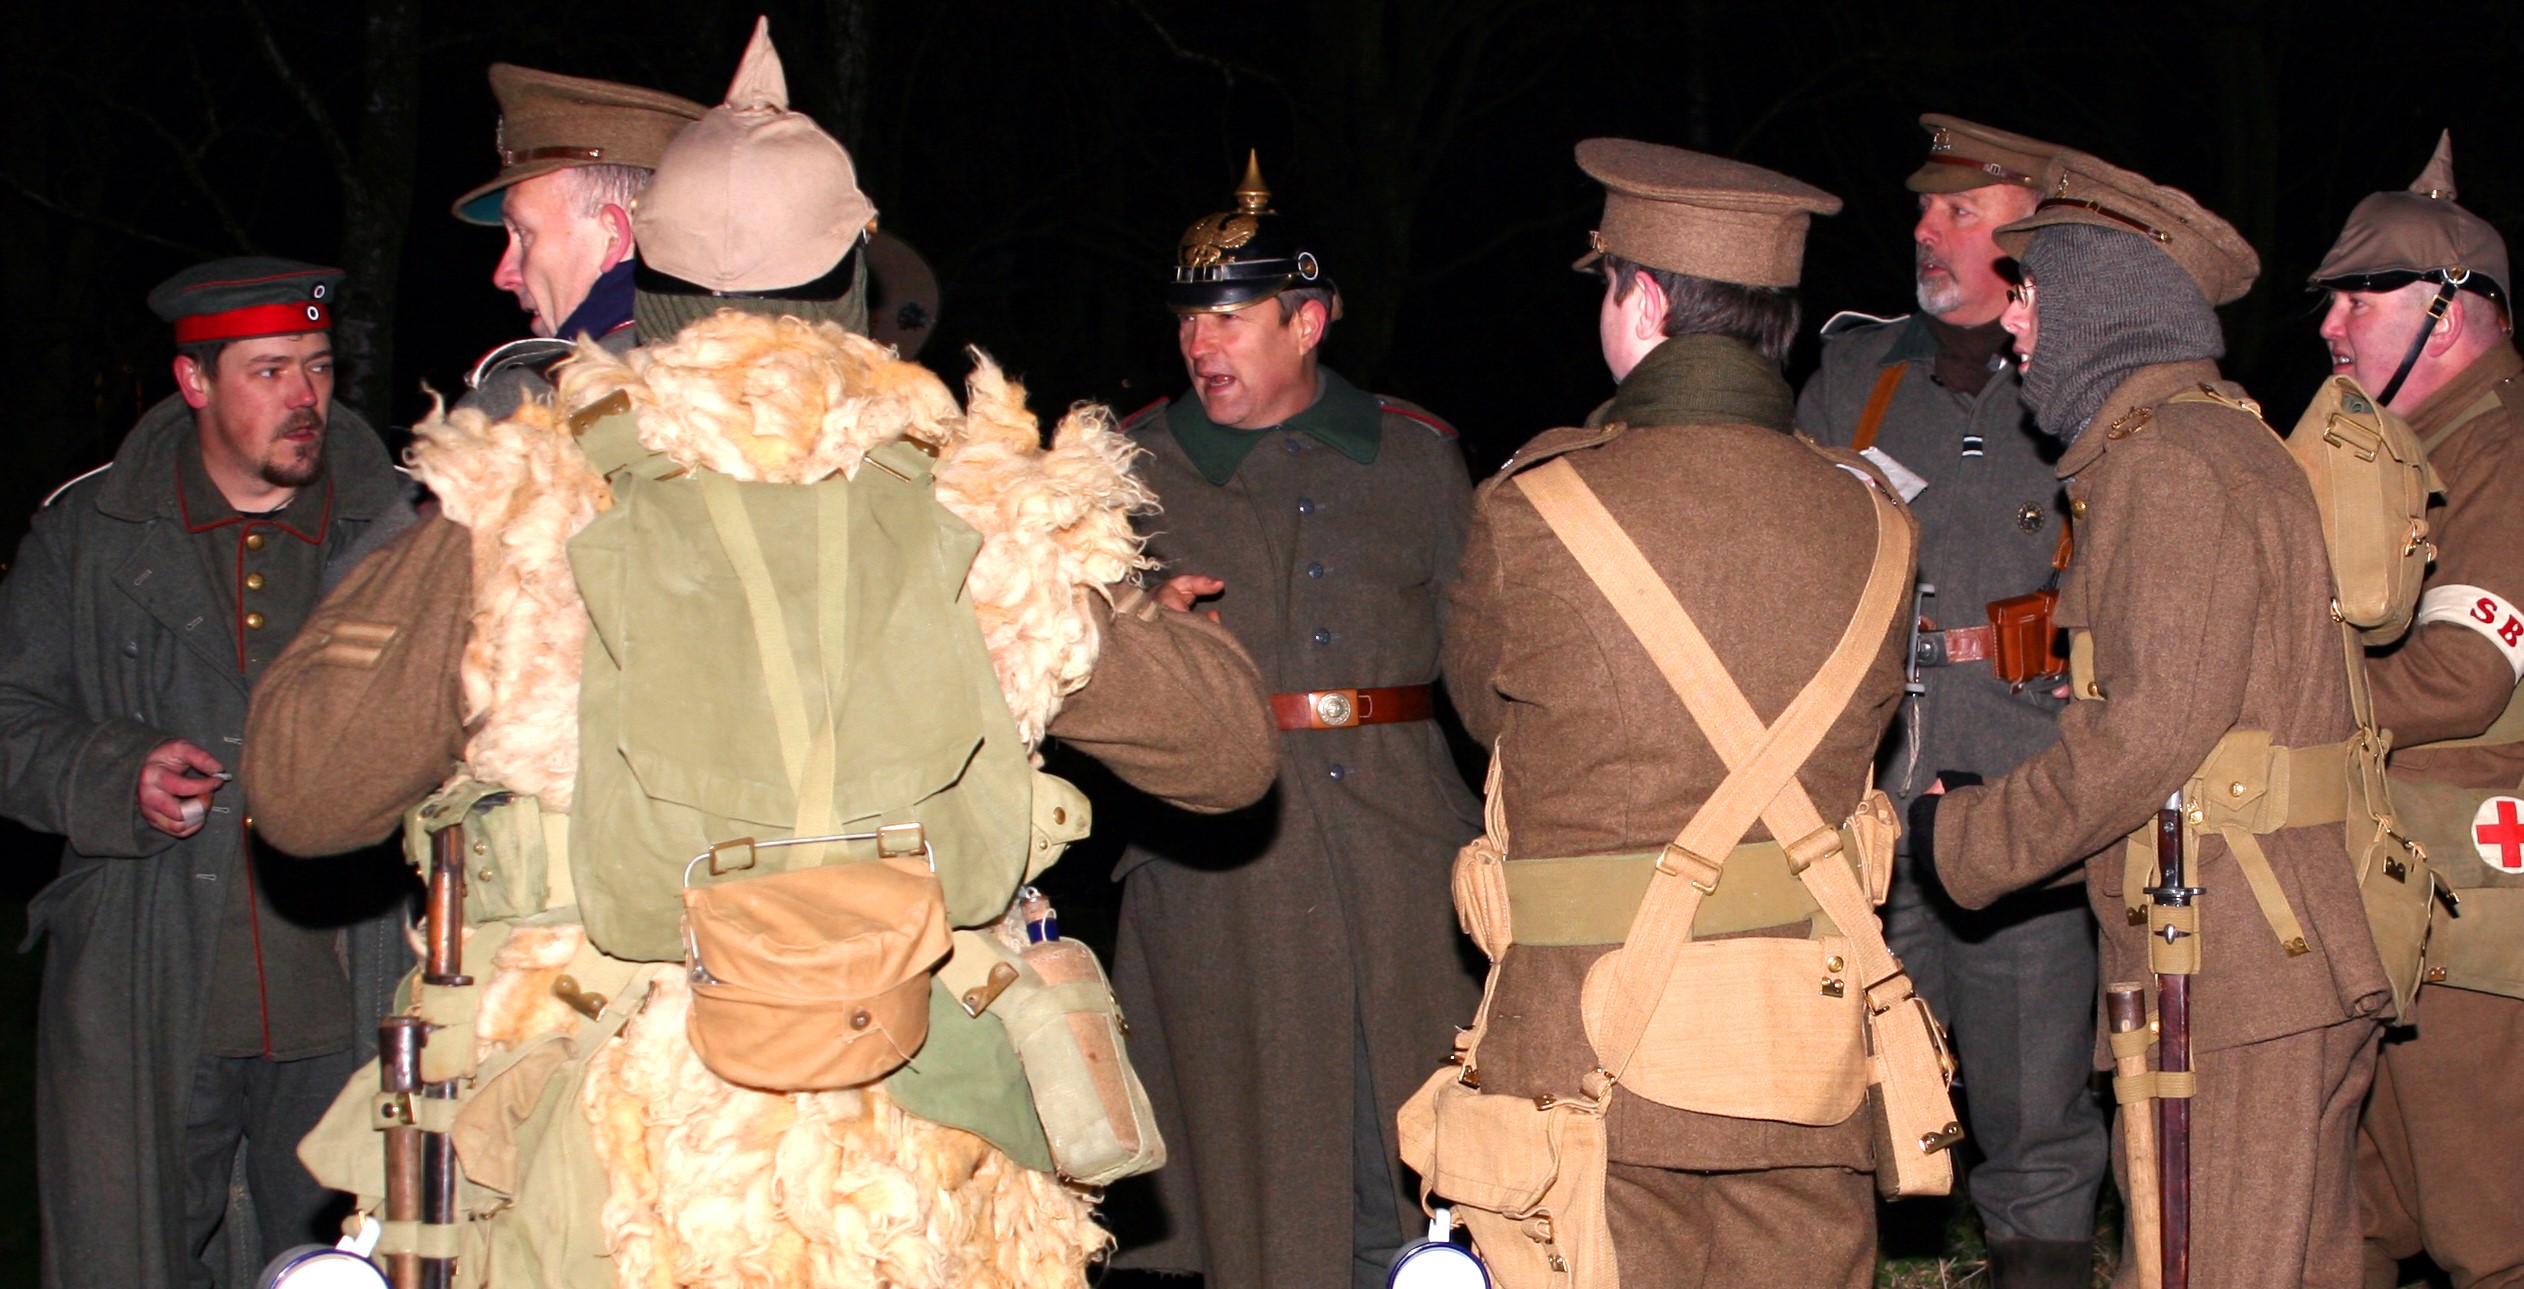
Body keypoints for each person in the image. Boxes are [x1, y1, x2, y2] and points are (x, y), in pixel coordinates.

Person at [245, 22, 1275, 1288]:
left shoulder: (525, 497)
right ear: (854, 283)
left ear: (654, 283)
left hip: (619, 1162)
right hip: (916, 1163)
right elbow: (1228, 759)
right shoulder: (990, 503)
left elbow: (300, 791)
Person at [1426, 136, 1917, 1288]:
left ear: (1641, 300)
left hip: (1585, 1055)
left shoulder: (1536, 503)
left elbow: (1480, 709)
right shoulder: (1878, 520)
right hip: (1805, 1044)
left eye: (1606, 284)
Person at [1917, 151, 2393, 1288]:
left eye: (2032, 290)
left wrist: (1966, 837)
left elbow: (2147, 732)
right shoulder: (2206, 441)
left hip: (2232, 961)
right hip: (2264, 955)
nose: (2015, 320)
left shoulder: (2168, 466)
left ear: (2098, 303)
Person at [1101, 154, 1482, 1289]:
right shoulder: (1128, 467)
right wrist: (1135, 630)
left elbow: (1484, 662)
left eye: (1229, 320)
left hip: (1404, 856)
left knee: (1412, 1161)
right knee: (1249, 1174)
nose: (1199, 346)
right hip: (1220, 874)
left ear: (1306, 321)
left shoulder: (1416, 453)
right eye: (1186, 323)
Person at [0, 258, 414, 1287]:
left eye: (317, 366)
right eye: (269, 370)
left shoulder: (406, 532)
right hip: (148, 983)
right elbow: (10, 722)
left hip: (349, 990)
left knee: (353, 1266)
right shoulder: (86, 534)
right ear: (194, 383)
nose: (304, 398)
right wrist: (111, 768)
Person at [1796, 115, 2106, 1289]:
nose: (1926, 231)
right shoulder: (1851, 376)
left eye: (1959, 213)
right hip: (1869, 796)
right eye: (1925, 210)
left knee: (2033, 1107)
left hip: (2023, 791)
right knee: (1852, 1089)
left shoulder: (2082, 376)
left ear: (2026, 233)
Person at [2308, 131, 2524, 1289]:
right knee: (2353, 1215)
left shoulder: (2500, 454)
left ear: (2449, 314)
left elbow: (2460, 678)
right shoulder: (2397, 456)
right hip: (2392, 889)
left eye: (2360, 298)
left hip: (2472, 900)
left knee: (2488, 1229)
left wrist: (2276, 710)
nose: (2331, 326)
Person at [447, 64, 704, 416]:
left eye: (523, 234)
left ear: (613, 236)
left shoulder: (524, 412)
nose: (504, 275)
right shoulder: (775, 368)